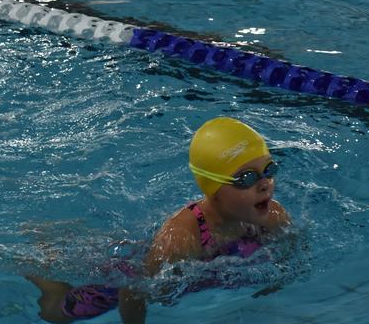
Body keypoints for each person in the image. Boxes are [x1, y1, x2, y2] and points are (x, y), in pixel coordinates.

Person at [28, 117, 291, 323]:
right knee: (61, 311)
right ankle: (43, 271)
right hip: (129, 276)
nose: (265, 184)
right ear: (213, 188)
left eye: (269, 170)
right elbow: (134, 291)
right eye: (246, 178)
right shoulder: (182, 237)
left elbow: (292, 254)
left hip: (200, 268)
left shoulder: (272, 216)